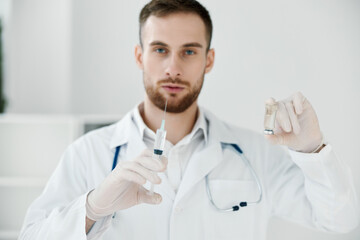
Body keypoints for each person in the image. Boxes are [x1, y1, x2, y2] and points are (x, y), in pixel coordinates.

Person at [19, 0, 358, 239]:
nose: (173, 68)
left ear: (209, 60)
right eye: (160, 49)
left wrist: (314, 151)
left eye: (189, 51)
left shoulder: (255, 153)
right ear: (140, 56)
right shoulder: (88, 153)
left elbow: (340, 220)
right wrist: (92, 208)